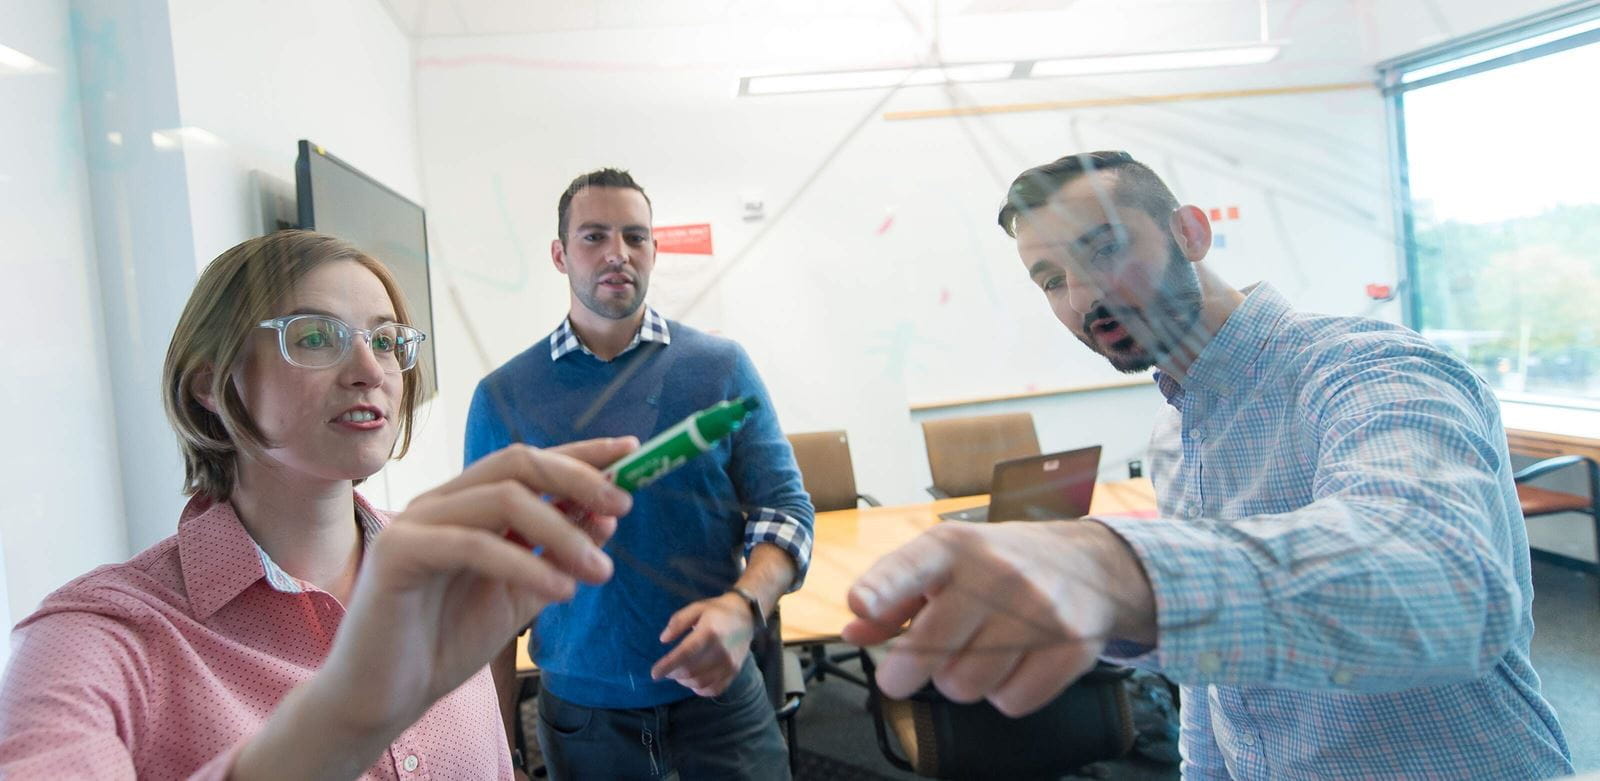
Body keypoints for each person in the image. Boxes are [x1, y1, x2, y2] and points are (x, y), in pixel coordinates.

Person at [843, 151, 1573, 778]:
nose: (1084, 295)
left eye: (1103, 249)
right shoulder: (1174, 434)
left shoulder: (1371, 368)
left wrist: (1114, 567)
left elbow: (1447, 581)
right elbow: (1220, 680)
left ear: (1190, 232)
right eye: (1050, 278)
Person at [0, 230, 635, 779]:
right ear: (209, 386)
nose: (370, 369)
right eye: (313, 337)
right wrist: (344, 717)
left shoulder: (443, 565)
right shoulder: (102, 638)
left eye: (387, 340)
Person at [466, 168, 813, 780]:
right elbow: (490, 579)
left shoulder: (720, 367)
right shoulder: (503, 397)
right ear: (560, 253)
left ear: (654, 249)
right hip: (584, 716)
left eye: (635, 236)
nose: (618, 253)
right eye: (594, 236)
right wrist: (502, 751)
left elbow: (785, 511)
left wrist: (743, 605)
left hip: (721, 696)